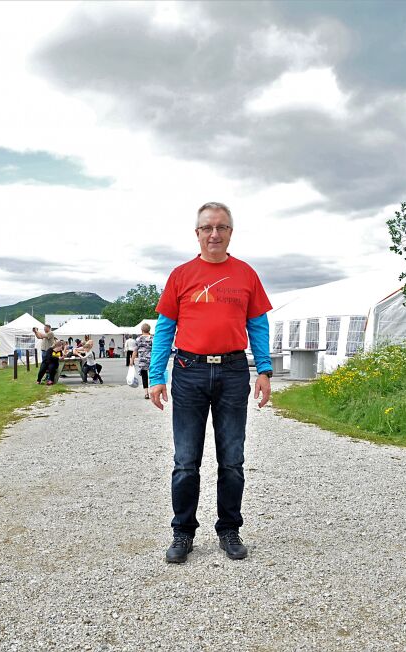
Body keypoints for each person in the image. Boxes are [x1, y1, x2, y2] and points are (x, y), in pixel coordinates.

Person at [149, 201, 273, 564]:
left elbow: (259, 326)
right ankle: (183, 533)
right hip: (190, 370)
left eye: (221, 227)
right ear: (198, 233)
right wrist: (157, 376)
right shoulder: (181, 275)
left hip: (234, 371)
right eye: (207, 228)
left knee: (232, 459)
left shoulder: (246, 274)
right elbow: (164, 329)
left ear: (231, 232)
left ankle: (229, 529)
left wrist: (263, 370)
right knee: (186, 460)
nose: (214, 234)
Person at [131, 322, 153, 399]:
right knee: (152, 376)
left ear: (142, 330)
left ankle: (146, 393)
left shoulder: (138, 339)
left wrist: (131, 361)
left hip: (142, 361)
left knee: (144, 376)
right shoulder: (152, 338)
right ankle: (153, 391)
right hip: (151, 360)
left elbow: (135, 351)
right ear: (149, 330)